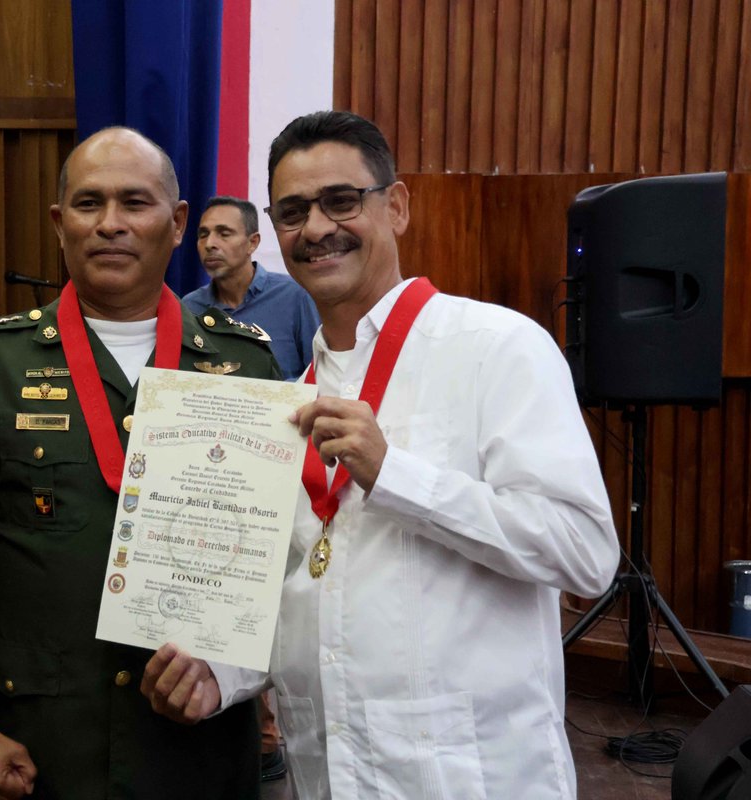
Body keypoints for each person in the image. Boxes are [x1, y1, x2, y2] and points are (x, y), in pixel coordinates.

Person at [143, 111, 620, 799]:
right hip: (331, 773)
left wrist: (394, 474)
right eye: (293, 211)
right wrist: (222, 671)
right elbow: (294, 591)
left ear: (395, 207)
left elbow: (584, 553)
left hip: (476, 777)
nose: (315, 229)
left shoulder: (496, 347)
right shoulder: (288, 402)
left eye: (341, 201)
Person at [0, 126, 279, 800]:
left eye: (135, 203)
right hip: (42, 739)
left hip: (195, 736)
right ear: (61, 224)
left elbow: (273, 564)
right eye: (89, 205)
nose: (111, 225)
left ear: (177, 223)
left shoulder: (247, 366)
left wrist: (244, 677)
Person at [182, 196, 319, 380]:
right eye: (203, 234)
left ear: (252, 242)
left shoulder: (295, 296)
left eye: (224, 233)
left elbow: (319, 373)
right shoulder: (189, 308)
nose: (209, 244)